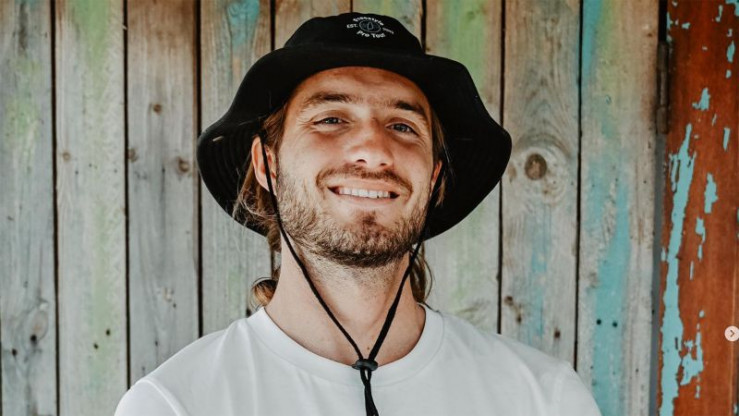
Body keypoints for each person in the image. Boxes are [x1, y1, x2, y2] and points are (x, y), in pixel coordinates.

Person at [115, 12, 602, 416]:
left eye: (403, 125)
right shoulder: (174, 405)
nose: (373, 150)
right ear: (267, 165)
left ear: (433, 178)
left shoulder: (545, 399)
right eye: (331, 119)